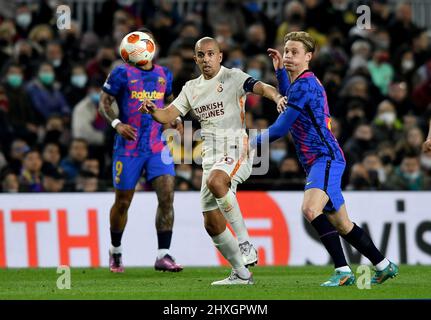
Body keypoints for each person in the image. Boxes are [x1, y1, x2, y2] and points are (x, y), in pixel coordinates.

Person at [254, 31, 398, 286]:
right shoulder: (301, 84)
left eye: (294, 52)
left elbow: (279, 129)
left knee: (311, 209)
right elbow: (288, 97)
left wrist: (247, 142)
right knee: (343, 225)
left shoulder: (306, 84)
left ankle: (343, 270)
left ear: (308, 56)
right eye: (286, 51)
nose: (288, 56)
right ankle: (384, 265)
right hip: (320, 160)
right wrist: (279, 72)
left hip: (325, 157)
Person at [139, 37, 285, 285]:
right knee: (212, 222)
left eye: (210, 54)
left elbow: (261, 87)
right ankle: (241, 273)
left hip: (237, 146)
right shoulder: (191, 88)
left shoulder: (233, 77)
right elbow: (168, 115)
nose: (206, 59)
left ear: (219, 56)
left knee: (218, 182)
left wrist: (277, 97)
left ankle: (246, 243)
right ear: (195, 59)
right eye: (201, 55)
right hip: (211, 155)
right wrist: (154, 110)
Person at [99, 29, 183, 273]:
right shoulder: (121, 73)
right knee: (123, 202)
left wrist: (175, 118)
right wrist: (117, 124)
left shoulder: (163, 73)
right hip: (129, 147)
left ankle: (163, 255)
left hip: (158, 146)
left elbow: (169, 100)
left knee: (167, 195)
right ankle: (115, 250)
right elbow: (103, 102)